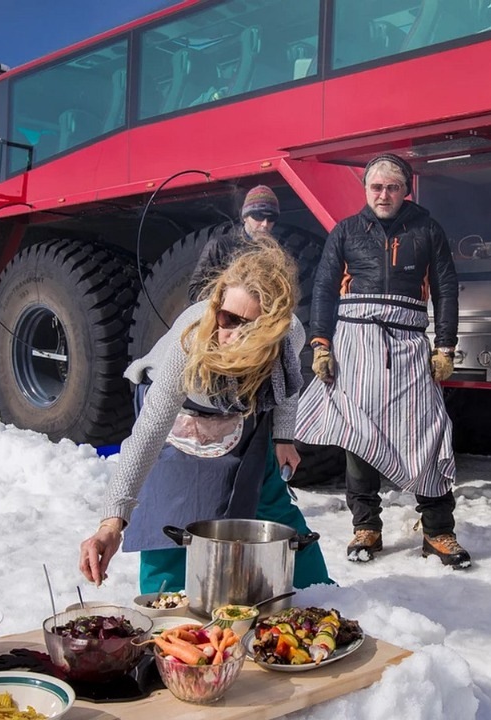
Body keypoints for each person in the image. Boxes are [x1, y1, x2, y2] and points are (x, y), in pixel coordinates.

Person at [78, 235, 332, 593]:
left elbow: (288, 385)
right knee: (170, 513)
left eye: (249, 325)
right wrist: (110, 524)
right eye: (227, 317)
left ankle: (315, 591)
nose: (230, 333)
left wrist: (284, 436)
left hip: (241, 410)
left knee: (266, 498)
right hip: (176, 414)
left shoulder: (289, 337)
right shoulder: (192, 341)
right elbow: (148, 433)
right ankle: (164, 606)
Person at [296, 152, 470, 569]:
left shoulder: (427, 228)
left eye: (392, 187)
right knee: (360, 433)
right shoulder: (346, 231)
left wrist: (445, 347)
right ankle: (366, 527)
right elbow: (323, 289)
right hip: (357, 344)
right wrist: (321, 344)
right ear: (366, 190)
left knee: (428, 429)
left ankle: (438, 530)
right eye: (376, 187)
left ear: (405, 189)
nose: (384, 195)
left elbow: (446, 288)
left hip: (409, 343)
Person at [187, 185, 281, 302]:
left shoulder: (276, 253)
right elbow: (194, 292)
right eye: (259, 216)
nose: (265, 224)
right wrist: (229, 301)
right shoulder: (219, 246)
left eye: (271, 218)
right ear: (245, 216)